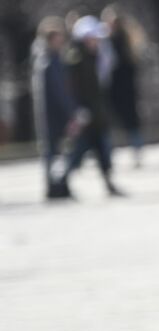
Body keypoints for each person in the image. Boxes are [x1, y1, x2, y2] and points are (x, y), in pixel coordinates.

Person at [59, 16, 124, 197]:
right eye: (93, 37)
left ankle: (108, 183)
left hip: (96, 112)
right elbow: (72, 87)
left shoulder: (94, 56)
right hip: (84, 113)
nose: (96, 41)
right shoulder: (76, 58)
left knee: (103, 149)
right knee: (78, 150)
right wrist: (77, 109)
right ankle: (62, 181)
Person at [30, 17, 76, 200]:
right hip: (52, 116)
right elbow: (59, 91)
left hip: (54, 116)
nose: (61, 41)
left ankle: (58, 186)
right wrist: (71, 111)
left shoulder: (51, 60)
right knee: (53, 153)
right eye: (57, 38)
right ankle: (55, 187)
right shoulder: (47, 62)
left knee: (57, 153)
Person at [102, 5, 144, 167]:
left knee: (123, 122)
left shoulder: (116, 41)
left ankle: (113, 153)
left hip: (119, 87)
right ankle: (134, 152)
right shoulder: (127, 40)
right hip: (123, 88)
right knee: (129, 122)